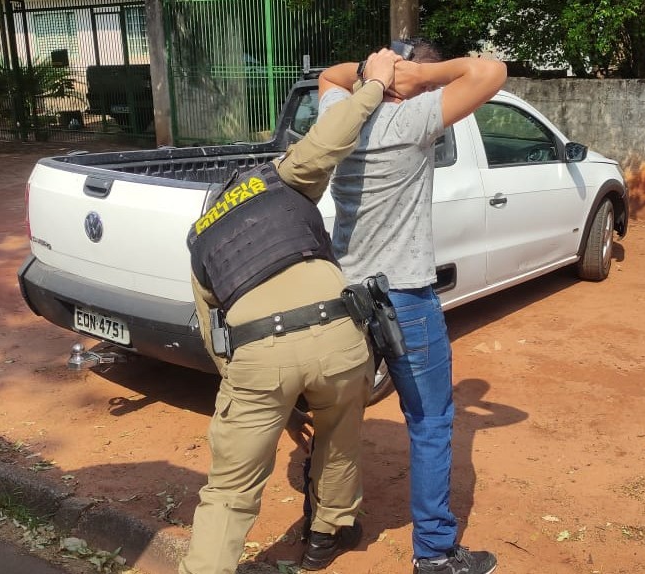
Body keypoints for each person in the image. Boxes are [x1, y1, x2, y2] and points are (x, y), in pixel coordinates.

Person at [179, 48, 402, 574]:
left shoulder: (199, 241)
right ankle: (328, 534)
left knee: (230, 489)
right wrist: (372, 84)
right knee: (340, 434)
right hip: (339, 336)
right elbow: (331, 138)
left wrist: (257, 394)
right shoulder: (279, 177)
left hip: (258, 352)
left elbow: (217, 341)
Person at [318, 40, 507, 574]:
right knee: (429, 422)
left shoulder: (343, 118)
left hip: (341, 293)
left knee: (337, 417)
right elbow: (489, 71)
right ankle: (435, 552)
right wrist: (417, 77)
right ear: (417, 82)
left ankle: (326, 528)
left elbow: (329, 80)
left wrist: (372, 73)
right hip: (402, 297)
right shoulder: (413, 120)